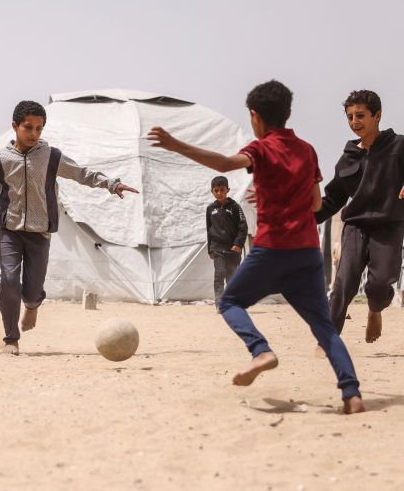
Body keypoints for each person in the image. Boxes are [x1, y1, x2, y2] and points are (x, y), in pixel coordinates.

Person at [148, 80, 364, 414]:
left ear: (254, 116)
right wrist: (275, 196)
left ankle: (261, 350)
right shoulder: (307, 150)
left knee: (230, 302)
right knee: (324, 328)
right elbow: (315, 203)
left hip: (272, 250)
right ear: (288, 112)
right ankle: (352, 394)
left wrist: (176, 145)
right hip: (306, 253)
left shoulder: (261, 149)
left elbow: (224, 164)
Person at [0, 100, 138, 355]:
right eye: (28, 127)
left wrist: (111, 184)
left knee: (33, 291)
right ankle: (11, 338)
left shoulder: (51, 156)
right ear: (15, 126)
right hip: (10, 231)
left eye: (39, 128)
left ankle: (32, 306)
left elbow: (81, 173)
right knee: (9, 281)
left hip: (40, 233)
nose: (34, 133)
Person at [315, 90, 404, 343]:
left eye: (360, 115)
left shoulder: (398, 145)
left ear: (377, 115)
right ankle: (328, 340)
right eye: (350, 117)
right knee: (343, 283)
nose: (354, 122)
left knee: (380, 284)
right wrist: (303, 219)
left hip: (388, 225)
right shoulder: (347, 158)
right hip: (356, 225)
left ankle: (375, 309)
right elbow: (333, 199)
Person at [206, 175, 247, 310]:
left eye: (222, 190)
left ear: (227, 190)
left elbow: (243, 227)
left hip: (233, 249)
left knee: (232, 277)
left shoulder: (235, 207)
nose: (219, 193)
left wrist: (238, 244)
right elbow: (209, 229)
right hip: (217, 248)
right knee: (219, 274)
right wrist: (210, 249)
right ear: (212, 191)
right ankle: (219, 303)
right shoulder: (210, 209)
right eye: (216, 190)